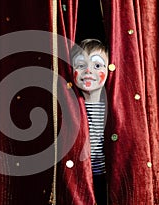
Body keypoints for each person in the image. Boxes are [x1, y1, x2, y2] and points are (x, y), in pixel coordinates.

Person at [71, 38, 109, 204]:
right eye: (80, 65)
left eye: (97, 66)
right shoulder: (70, 107)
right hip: (79, 181)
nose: (88, 71)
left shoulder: (114, 108)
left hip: (105, 180)